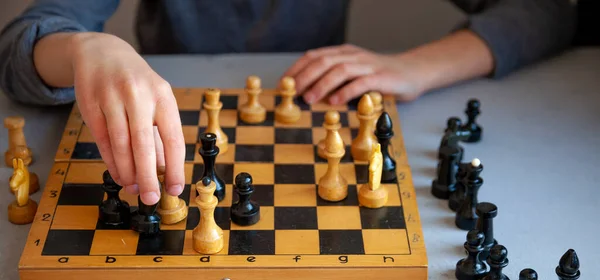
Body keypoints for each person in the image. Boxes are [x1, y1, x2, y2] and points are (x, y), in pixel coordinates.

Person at [0, 0, 581, 206]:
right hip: (163, 106)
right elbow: (20, 50)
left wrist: (416, 66)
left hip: (312, 104)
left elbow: (552, 10)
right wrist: (85, 48)